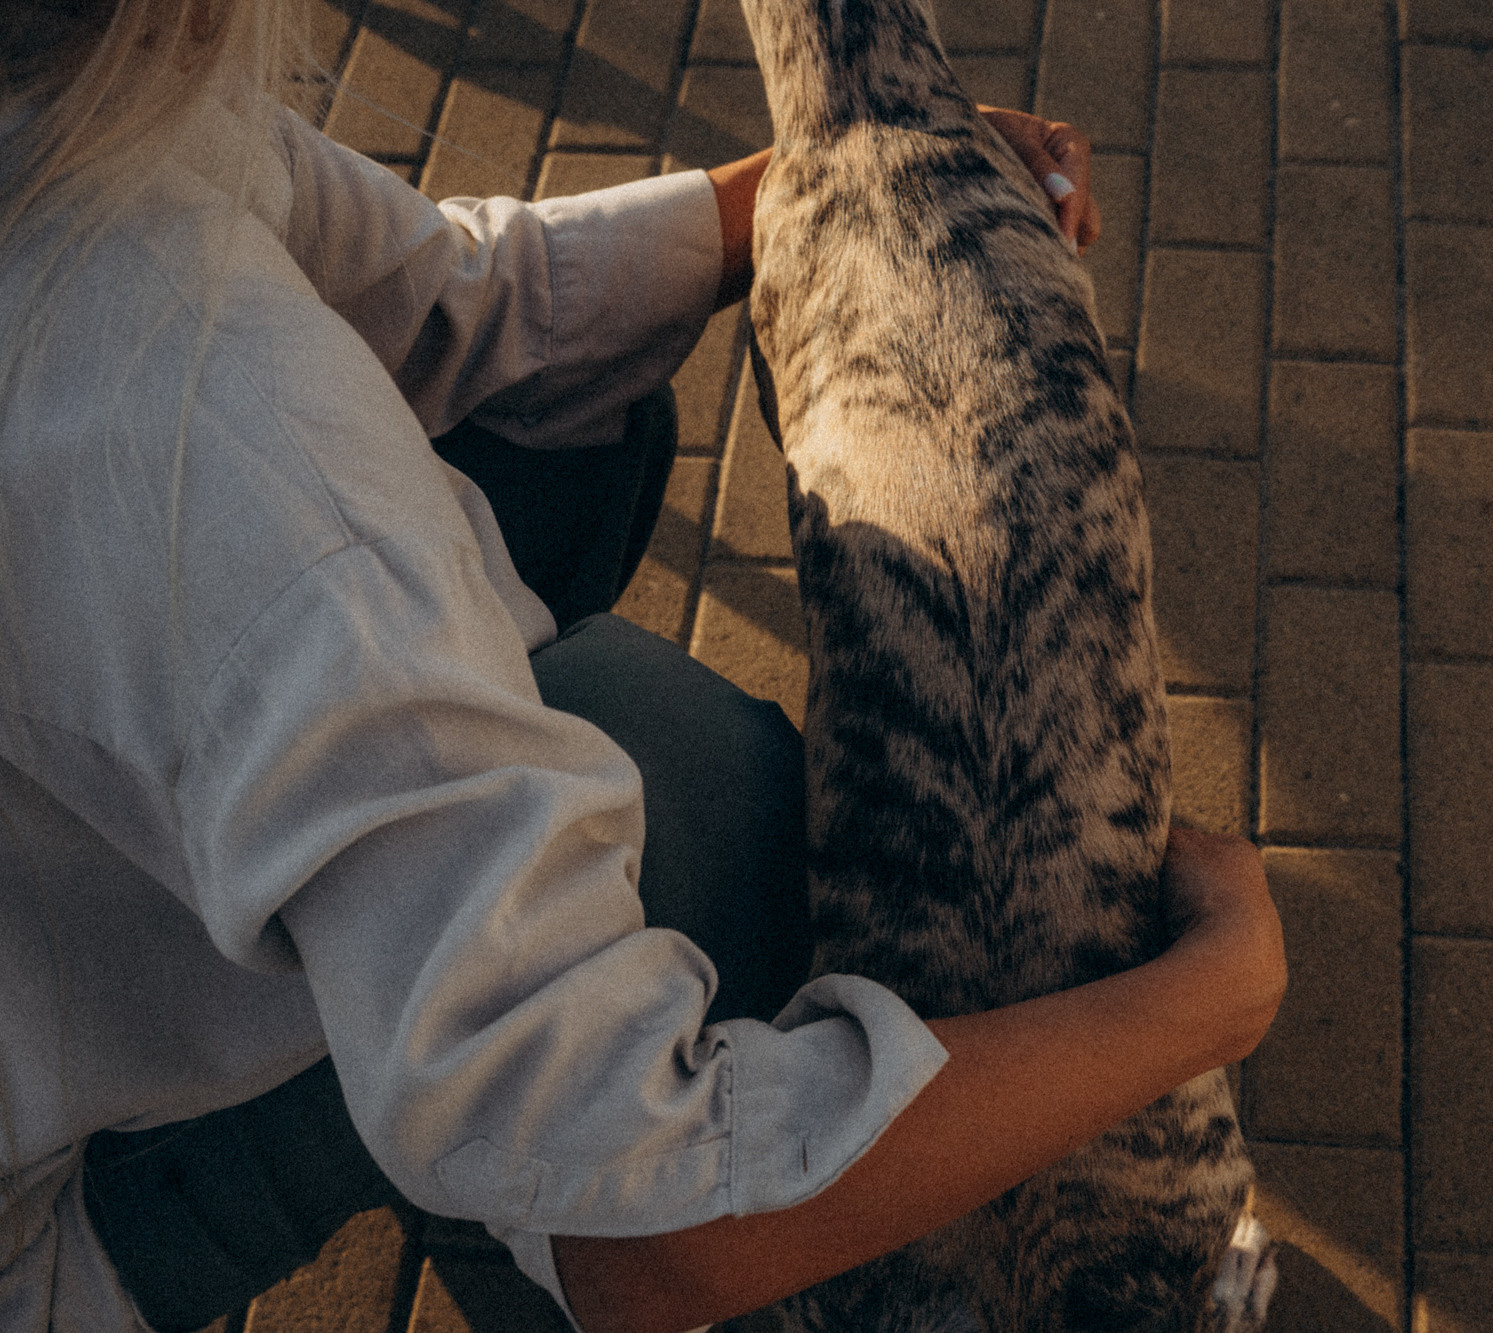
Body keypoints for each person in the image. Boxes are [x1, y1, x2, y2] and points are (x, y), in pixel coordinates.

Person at [0, 2, 1287, 1331]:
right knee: (694, 808)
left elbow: (445, 300)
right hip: (51, 1218)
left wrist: (800, 190)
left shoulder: (65, 103)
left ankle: (441, 993)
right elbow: (640, 1233)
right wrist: (1206, 1000)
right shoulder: (224, 448)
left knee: (578, 474)